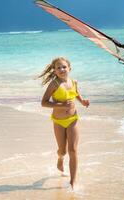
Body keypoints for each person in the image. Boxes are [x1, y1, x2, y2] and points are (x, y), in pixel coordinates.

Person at [39, 57, 90, 189]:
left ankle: (73, 181)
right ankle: (60, 159)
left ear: (69, 68)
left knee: (73, 150)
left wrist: (83, 101)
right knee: (63, 151)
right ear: (54, 71)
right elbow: (44, 103)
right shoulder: (54, 84)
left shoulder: (73, 81)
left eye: (64, 67)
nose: (61, 69)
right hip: (59, 122)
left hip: (73, 119)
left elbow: (75, 93)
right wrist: (61, 105)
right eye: (58, 68)